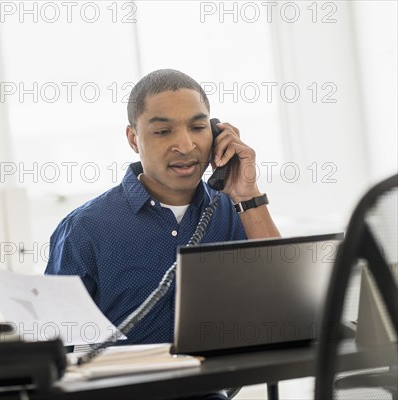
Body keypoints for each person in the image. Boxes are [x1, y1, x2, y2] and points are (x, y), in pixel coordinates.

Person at [45, 68, 280, 346]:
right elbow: (51, 343)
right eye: (162, 131)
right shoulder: (85, 229)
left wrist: (248, 194)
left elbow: (284, 303)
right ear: (134, 139)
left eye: (198, 127)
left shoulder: (237, 209)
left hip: (213, 386)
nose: (185, 145)